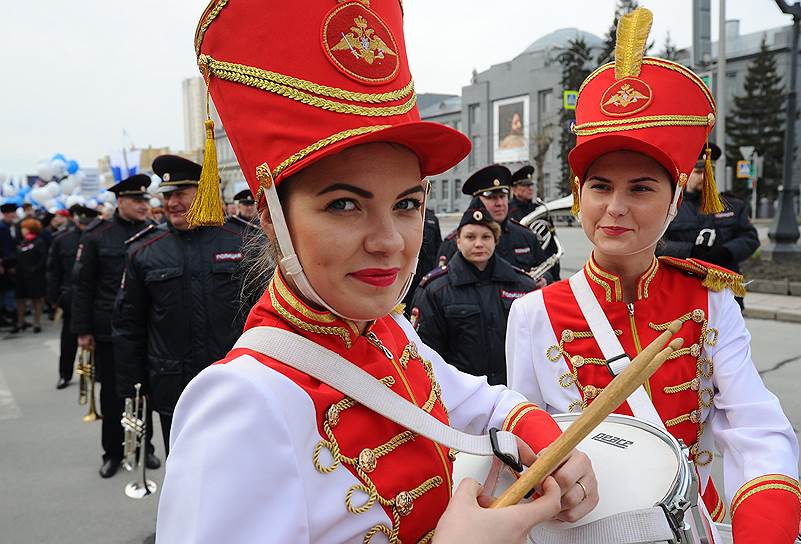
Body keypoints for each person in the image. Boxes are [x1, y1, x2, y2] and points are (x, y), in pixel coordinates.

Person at [156, 1, 598, 541]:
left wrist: (547, 442)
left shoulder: (387, 330)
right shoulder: (240, 404)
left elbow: (483, 402)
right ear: (273, 220)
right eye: (344, 204)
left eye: (408, 204)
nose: (389, 241)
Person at [506, 9, 801, 543]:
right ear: (579, 196)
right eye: (599, 187)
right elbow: (524, 441)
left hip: (690, 526)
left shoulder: (710, 301)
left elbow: (756, 428)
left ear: (673, 203)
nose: (614, 208)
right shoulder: (533, 312)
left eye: (641, 188)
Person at [113, 155, 248, 454]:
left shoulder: (242, 242)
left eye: (180, 194)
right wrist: (132, 387)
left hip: (233, 380)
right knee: (183, 473)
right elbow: (128, 325)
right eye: (167, 195)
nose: (171, 202)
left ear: (203, 194)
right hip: (172, 385)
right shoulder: (144, 251)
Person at [71, 174, 160, 478]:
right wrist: (82, 330)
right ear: (120, 201)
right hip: (109, 330)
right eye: (137, 200)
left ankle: (145, 447)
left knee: (144, 391)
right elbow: (82, 286)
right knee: (112, 395)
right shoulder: (98, 235)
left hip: (146, 328)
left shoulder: (153, 232)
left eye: (145, 200)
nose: (143, 205)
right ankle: (112, 452)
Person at [411, 208, 535, 386]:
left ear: (495, 241)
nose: (479, 244)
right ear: (459, 242)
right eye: (470, 237)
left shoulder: (522, 285)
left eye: (486, 237)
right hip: (460, 397)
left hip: (513, 394)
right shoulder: (435, 290)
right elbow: (426, 354)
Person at [658, 143, 760, 309]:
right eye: (699, 172)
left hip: (724, 287)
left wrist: (727, 252)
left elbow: (749, 238)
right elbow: (655, 244)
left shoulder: (733, 205)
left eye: (708, 173)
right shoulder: (669, 207)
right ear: (687, 174)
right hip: (682, 289)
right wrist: (690, 251)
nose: (704, 178)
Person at [437, 165, 554, 285]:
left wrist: (544, 279)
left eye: (502, 197)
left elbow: (548, 270)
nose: (499, 203)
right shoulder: (456, 241)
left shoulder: (525, 235)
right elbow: (441, 283)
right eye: (492, 198)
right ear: (478, 201)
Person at [47, 205, 99, 388]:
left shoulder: (100, 237)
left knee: (98, 339)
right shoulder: (62, 240)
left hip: (96, 298)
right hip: (70, 298)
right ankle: (65, 374)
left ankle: (96, 372)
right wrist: (54, 299)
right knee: (68, 340)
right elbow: (54, 271)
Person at [402, 206, 441, 311]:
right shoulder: (403, 216)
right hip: (408, 278)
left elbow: (438, 247)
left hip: (427, 276)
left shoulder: (431, 218)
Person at [12, 218, 48, 333]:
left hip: (35, 275)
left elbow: (43, 258)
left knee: (36, 299)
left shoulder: (39, 242)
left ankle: (36, 322)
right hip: (21, 276)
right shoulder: (22, 242)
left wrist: (34, 269)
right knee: (20, 298)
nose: (23, 230)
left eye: (25, 228)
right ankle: (20, 321)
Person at [0, 203, 19, 328]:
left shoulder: (11, 226)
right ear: (8, 213)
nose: (16, 214)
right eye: (14, 212)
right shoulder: (2, 228)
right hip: (5, 265)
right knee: (7, 293)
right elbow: (5, 248)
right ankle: (11, 318)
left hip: (9, 263)